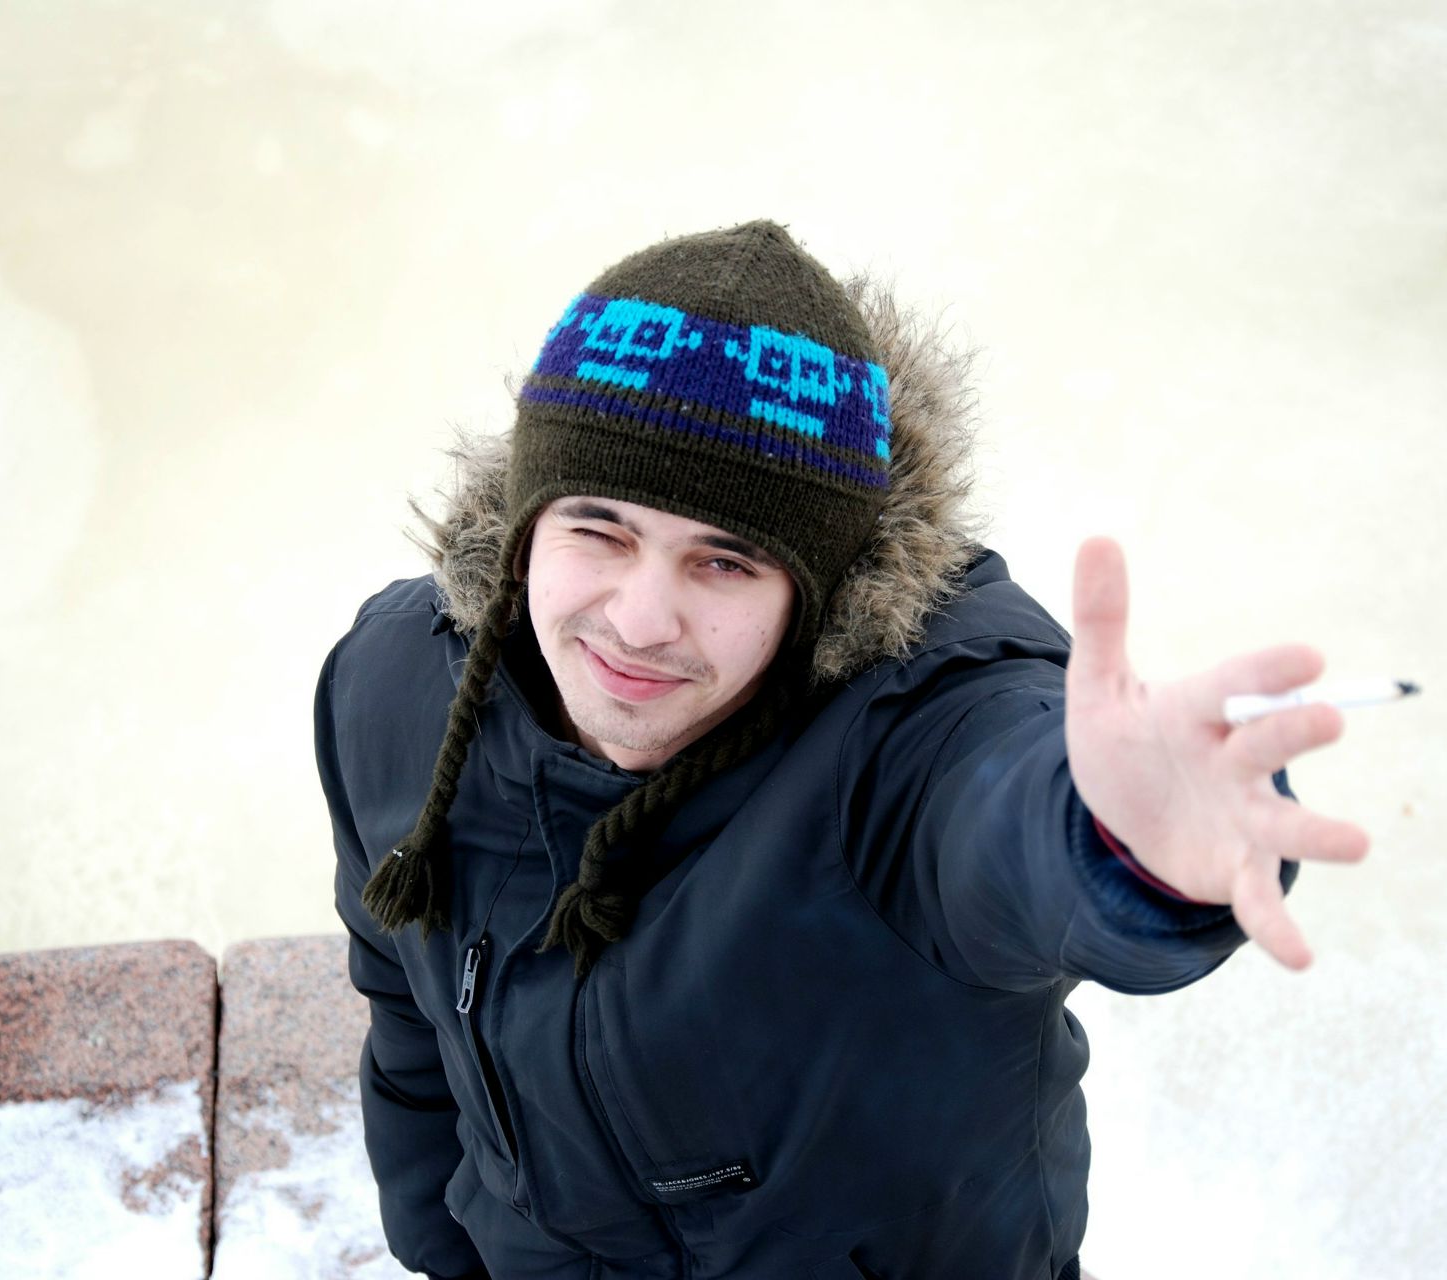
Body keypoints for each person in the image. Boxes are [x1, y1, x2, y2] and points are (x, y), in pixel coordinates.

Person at [313, 220, 1368, 1279]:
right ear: (525, 524)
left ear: (815, 588)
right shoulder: (398, 685)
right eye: (600, 530)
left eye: (724, 562)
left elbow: (1001, 811)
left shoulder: (901, 734)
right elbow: (408, 1017)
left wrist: (1117, 837)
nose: (638, 621)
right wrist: (441, 1254)